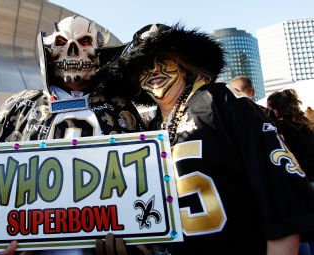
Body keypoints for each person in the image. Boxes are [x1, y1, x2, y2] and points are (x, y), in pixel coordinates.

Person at [103, 23, 314, 255]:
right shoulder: (148, 129)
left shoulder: (220, 100)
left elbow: (281, 204)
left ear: (183, 61)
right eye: (141, 64)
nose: (153, 69)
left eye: (162, 58)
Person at [0, 15, 145, 255]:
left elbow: (143, 180)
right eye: (62, 42)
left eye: (84, 42)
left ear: (99, 52)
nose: (72, 51)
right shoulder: (19, 107)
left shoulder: (120, 107)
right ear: (49, 51)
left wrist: (140, 245)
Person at [267, 89, 314, 184]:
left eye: (269, 108)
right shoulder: (303, 123)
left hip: (306, 179)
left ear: (275, 110)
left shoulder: (281, 130)